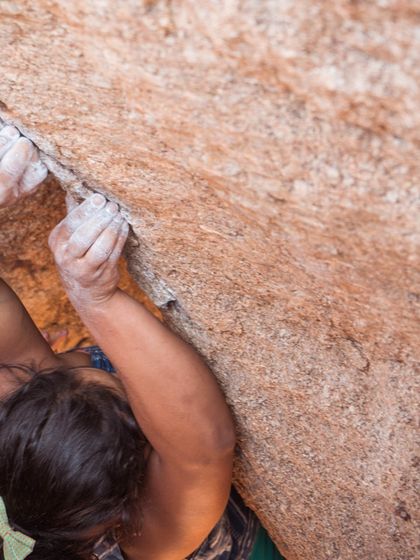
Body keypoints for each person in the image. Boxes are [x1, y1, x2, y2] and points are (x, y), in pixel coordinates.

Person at [0, 124, 285, 560]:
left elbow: (18, 355)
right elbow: (202, 448)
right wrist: (94, 297)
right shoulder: (149, 533)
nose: (59, 366)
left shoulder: (38, 453)